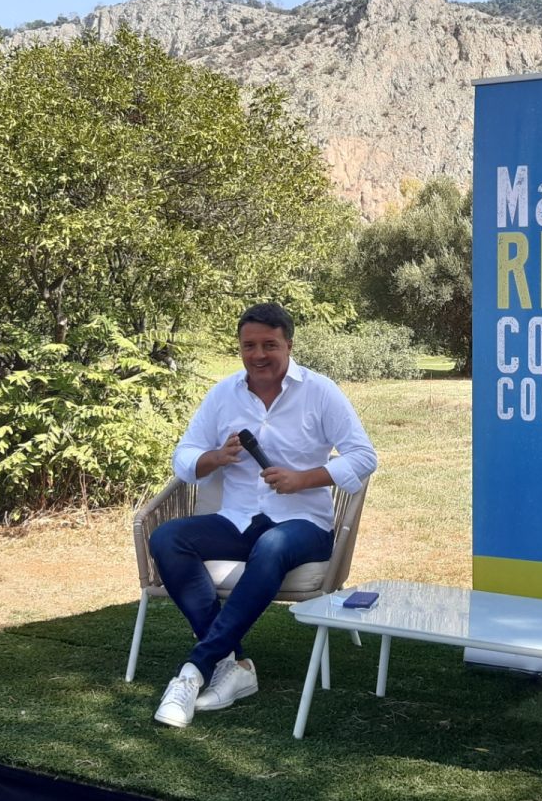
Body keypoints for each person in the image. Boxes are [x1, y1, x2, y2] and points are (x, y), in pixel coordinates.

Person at [150, 302, 378, 728]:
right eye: (249, 346)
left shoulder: (320, 391)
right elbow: (183, 457)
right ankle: (232, 664)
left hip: (303, 525)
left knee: (272, 545)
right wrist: (215, 457)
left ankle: (193, 670)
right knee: (167, 538)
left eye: (269, 345)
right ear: (240, 348)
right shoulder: (223, 394)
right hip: (239, 519)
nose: (258, 355)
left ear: (288, 345)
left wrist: (303, 479)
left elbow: (364, 457)